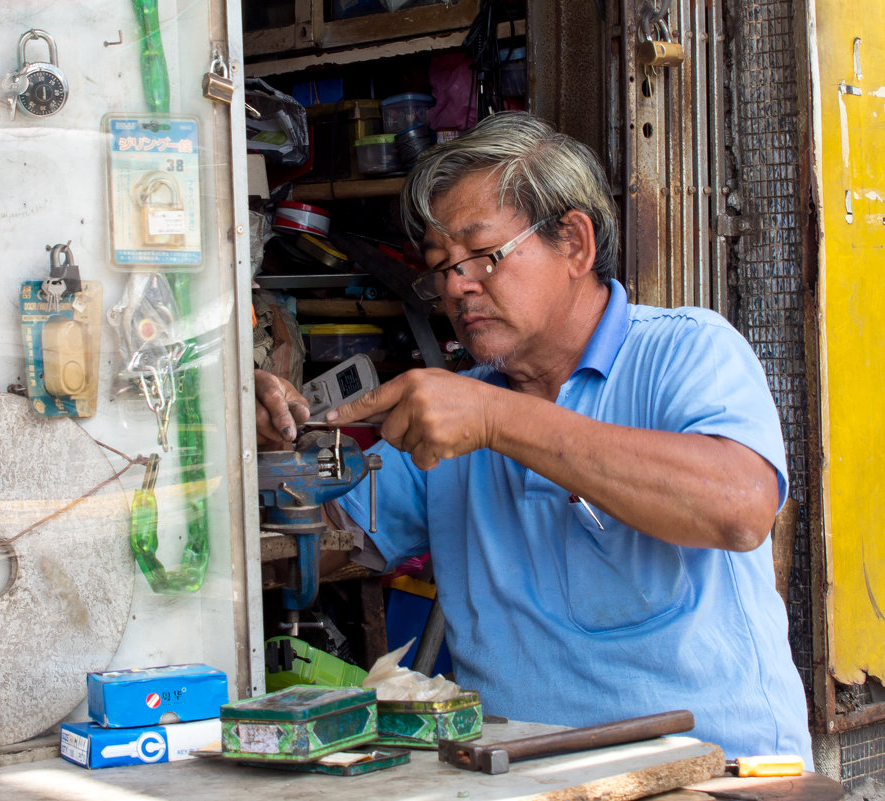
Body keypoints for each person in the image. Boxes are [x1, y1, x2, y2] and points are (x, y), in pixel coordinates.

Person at [255, 111, 812, 765]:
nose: (457, 288)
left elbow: (740, 507)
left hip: (713, 769)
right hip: (512, 774)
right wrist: (277, 447)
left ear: (574, 243)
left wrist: (500, 420)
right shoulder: (459, 409)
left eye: (481, 256)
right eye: (441, 269)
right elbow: (323, 539)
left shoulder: (686, 352)